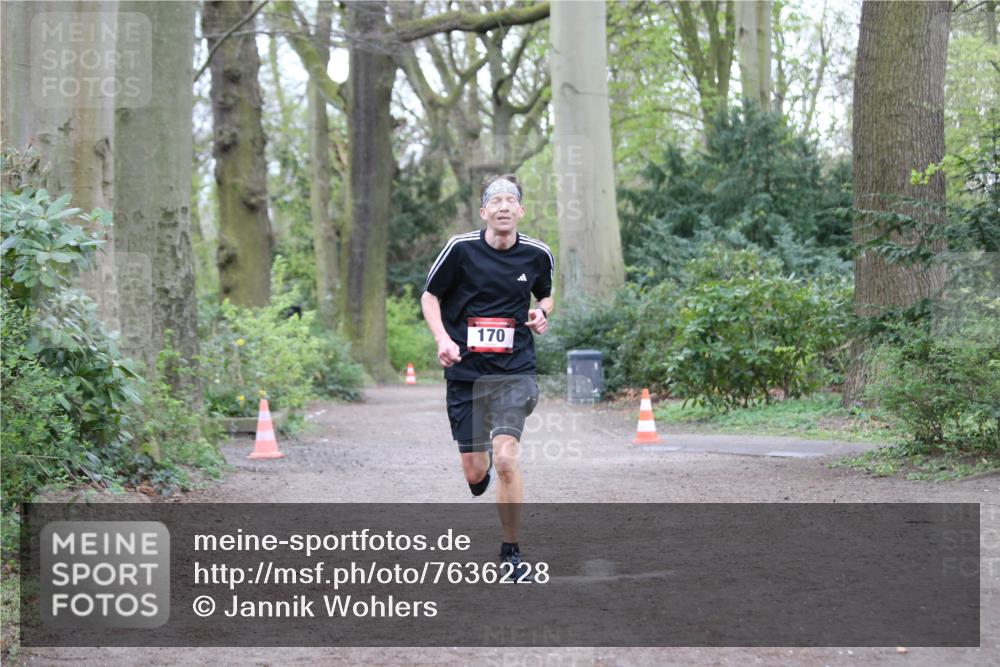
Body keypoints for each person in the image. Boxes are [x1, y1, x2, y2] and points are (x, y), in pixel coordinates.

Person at [421, 173, 554, 579]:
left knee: (507, 457)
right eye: (494, 201)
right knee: (476, 473)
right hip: (466, 373)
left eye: (510, 200)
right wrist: (442, 338)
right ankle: (483, 474)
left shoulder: (537, 254)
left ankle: (511, 552)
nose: (502, 206)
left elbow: (545, 293)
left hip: (515, 370)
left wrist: (542, 313)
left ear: (521, 210)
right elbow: (430, 295)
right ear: (483, 212)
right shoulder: (460, 249)